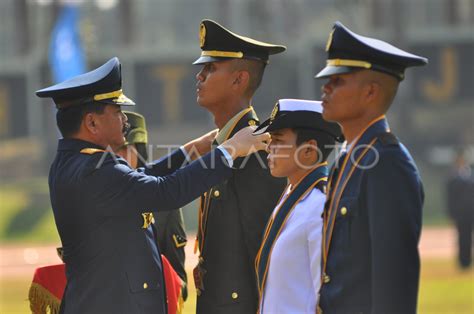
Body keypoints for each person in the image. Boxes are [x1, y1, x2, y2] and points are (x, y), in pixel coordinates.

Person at [35, 57, 270, 314]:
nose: (125, 120)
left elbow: (140, 177)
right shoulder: (96, 169)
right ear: (91, 123)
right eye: (117, 112)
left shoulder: (71, 163)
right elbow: (164, 191)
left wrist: (189, 151)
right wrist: (231, 149)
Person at [315, 22, 428, 313]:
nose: (325, 87)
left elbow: (393, 285)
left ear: (370, 93)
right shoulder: (349, 158)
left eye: (338, 80)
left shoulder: (387, 163)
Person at [192, 19, 287, 313]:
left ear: (239, 80)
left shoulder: (256, 149)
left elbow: (266, 252)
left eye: (211, 69)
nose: (200, 76)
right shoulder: (227, 144)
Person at [253, 99, 342, 313]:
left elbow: (329, 297)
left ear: (309, 150)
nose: (269, 148)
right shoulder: (292, 194)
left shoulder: (320, 206)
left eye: (278, 140)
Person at [116, 111, 189, 303]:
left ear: (138, 151)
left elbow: (179, 282)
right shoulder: (94, 196)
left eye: (125, 149)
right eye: (113, 149)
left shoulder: (164, 205)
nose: (118, 156)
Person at [446, 150, 474, 269]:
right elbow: (450, 197)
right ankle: (464, 262)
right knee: (462, 237)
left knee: (469, 238)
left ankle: (468, 261)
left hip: (471, 211)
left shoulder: (470, 175)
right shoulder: (453, 177)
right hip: (461, 214)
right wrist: (451, 212)